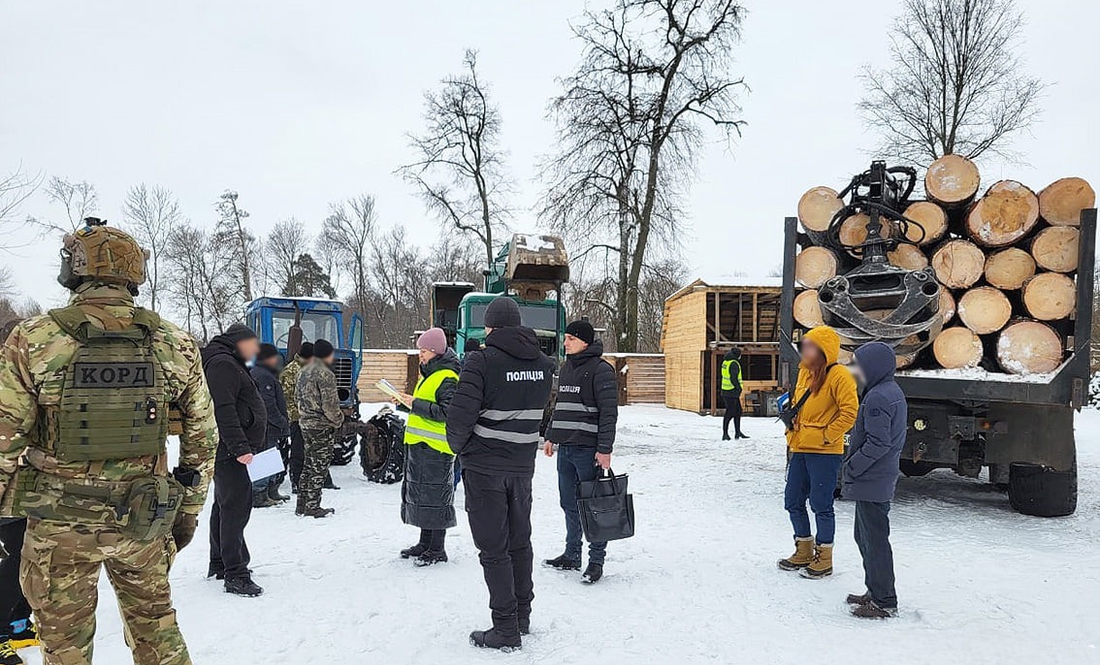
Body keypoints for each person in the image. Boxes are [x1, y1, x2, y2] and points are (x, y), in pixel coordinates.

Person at [0, 220, 218, 664]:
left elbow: (4, 438)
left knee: (65, 648)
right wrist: (187, 514)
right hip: (144, 519)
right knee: (158, 631)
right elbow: (203, 438)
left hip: (59, 525)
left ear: (75, 268)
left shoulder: (35, 339)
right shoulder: (175, 343)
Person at [447, 297, 555, 652]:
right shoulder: (543, 363)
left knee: (494, 548)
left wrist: (461, 449)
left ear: (490, 328)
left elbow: (460, 419)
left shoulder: (480, 361)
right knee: (520, 542)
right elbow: (543, 414)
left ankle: (505, 627)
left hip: (485, 468)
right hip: (522, 467)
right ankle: (522, 615)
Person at [777, 325, 858, 579]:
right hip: (799, 446)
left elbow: (849, 413)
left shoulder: (839, 376)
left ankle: (824, 557)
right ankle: (803, 549)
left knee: (821, 504)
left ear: (824, 350)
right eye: (805, 346)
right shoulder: (804, 374)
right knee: (792, 500)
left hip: (824, 452)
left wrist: (826, 436)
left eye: (810, 346)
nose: (805, 351)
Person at [543, 320, 618, 584]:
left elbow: (609, 413)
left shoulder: (601, 370)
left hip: (588, 450)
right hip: (565, 449)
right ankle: (572, 554)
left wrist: (604, 449)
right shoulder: (566, 369)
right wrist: (551, 435)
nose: (565, 343)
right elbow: (559, 405)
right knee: (568, 503)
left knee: (593, 506)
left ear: (584, 342)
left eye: (570, 339)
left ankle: (595, 561)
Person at [843, 342, 907, 619]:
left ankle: (884, 601)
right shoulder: (887, 391)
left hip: (873, 478)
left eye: (859, 364)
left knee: (875, 540)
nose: (855, 370)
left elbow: (878, 443)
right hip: (876, 478)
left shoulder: (878, 397)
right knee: (864, 536)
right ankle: (875, 590)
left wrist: (852, 466)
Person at [203, 323, 267, 597]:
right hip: (229, 450)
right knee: (235, 509)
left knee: (225, 505)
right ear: (240, 342)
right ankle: (236, 574)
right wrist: (240, 446)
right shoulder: (223, 365)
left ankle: (220, 563)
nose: (256, 351)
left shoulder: (229, 362)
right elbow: (224, 410)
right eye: (253, 345)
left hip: (228, 449)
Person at [395, 327, 460, 566]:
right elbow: (424, 408)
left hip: (436, 448)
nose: (420, 355)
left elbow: (447, 413)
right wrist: (405, 403)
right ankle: (425, 542)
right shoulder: (431, 375)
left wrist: (416, 403)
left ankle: (437, 548)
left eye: (423, 351)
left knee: (436, 498)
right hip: (421, 447)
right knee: (423, 497)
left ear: (435, 352)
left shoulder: (447, 377)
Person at [0, 319, 36, 665]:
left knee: (28, 560)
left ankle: (17, 624)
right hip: (7, 493)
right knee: (14, 563)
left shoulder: (25, 381)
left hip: (28, 490)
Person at [296, 339, 343, 518]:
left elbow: (296, 397)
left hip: (305, 423)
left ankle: (301, 504)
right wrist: (338, 420)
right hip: (321, 426)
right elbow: (330, 405)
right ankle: (313, 506)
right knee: (319, 466)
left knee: (308, 464)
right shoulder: (325, 374)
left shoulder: (303, 371)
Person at [251, 343, 291, 508]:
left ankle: (271, 491)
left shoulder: (262, 373)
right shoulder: (263, 376)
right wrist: (281, 422)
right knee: (264, 458)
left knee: (271, 457)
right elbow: (268, 404)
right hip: (267, 426)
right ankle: (259, 494)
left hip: (268, 426)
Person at [280, 341, 314, 493]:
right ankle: (296, 481)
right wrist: (298, 416)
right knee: (298, 450)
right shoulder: (291, 371)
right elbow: (287, 398)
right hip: (297, 418)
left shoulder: (308, 369)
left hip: (309, 417)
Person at [721, 347, 748, 440]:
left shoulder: (726, 362)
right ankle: (725, 433)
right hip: (731, 391)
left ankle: (737, 432)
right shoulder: (734, 363)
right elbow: (733, 378)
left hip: (726, 390)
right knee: (730, 412)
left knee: (738, 411)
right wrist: (738, 388)